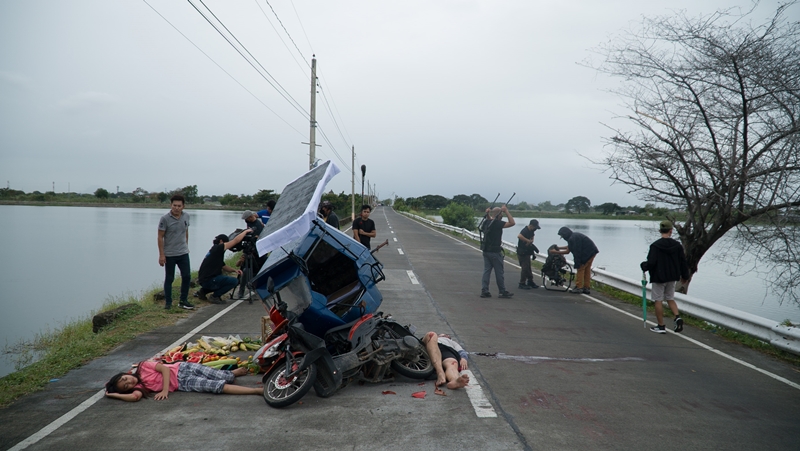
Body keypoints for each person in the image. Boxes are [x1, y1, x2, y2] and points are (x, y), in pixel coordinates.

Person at [104, 360, 261, 401]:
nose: (129, 382)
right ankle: (256, 390)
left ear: (125, 373)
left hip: (183, 368)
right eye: (126, 386)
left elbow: (165, 369)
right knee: (218, 387)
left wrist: (165, 390)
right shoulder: (140, 387)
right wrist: (113, 395)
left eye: (125, 379)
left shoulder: (143, 366)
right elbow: (134, 397)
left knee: (227, 377)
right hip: (184, 383)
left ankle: (231, 373)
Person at [641, 220, 690, 334]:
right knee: (670, 298)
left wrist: (644, 266)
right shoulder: (677, 246)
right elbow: (683, 262)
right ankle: (677, 316)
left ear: (660, 231)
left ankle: (661, 326)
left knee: (658, 300)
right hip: (672, 277)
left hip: (659, 277)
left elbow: (651, 262)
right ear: (671, 231)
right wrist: (685, 276)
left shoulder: (655, 246)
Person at [157, 194, 193, 310]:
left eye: (179, 206)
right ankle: (168, 302)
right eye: (174, 205)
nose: (176, 208)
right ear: (171, 205)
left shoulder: (186, 216)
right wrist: (161, 255)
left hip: (183, 252)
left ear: (183, 206)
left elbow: (186, 231)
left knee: (186, 276)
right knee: (170, 278)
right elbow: (160, 237)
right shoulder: (165, 219)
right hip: (170, 254)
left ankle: (183, 300)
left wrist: (186, 245)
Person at [197, 230, 252, 304]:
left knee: (222, 279)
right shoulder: (219, 248)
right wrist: (245, 232)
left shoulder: (214, 251)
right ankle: (215, 296)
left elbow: (224, 266)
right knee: (234, 281)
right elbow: (235, 241)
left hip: (204, 280)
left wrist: (235, 270)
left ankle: (203, 291)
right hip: (209, 280)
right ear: (221, 241)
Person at [480, 205, 516, 299]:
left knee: (486, 271)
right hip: (495, 252)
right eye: (501, 215)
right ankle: (502, 291)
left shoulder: (486, 222)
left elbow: (490, 221)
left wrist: (488, 214)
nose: (502, 216)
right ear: (499, 215)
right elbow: (512, 223)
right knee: (499, 272)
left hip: (486, 250)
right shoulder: (498, 223)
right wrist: (506, 211)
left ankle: (484, 290)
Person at [552, 227, 599, 294]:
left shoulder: (573, 238)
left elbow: (571, 252)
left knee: (580, 269)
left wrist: (554, 252)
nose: (563, 237)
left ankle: (578, 287)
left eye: (562, 236)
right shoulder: (574, 236)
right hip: (592, 252)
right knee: (587, 270)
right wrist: (559, 248)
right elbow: (570, 247)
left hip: (587, 254)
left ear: (565, 234)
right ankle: (586, 287)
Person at [516, 219, 541, 290]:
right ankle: (522, 283)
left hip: (527, 251)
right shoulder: (525, 230)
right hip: (522, 252)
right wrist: (527, 241)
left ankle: (530, 281)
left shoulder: (531, 231)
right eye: (535, 227)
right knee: (525, 268)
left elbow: (532, 236)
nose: (535, 229)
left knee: (528, 267)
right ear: (531, 225)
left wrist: (531, 240)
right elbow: (519, 236)